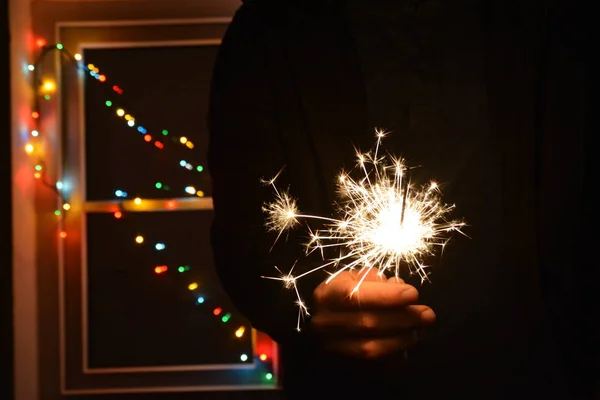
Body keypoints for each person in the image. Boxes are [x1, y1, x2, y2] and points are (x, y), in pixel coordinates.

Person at [208, 0, 594, 399]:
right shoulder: (269, 29)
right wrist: (313, 302)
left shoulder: (563, 19)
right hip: (346, 386)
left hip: (545, 377)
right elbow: (247, 238)